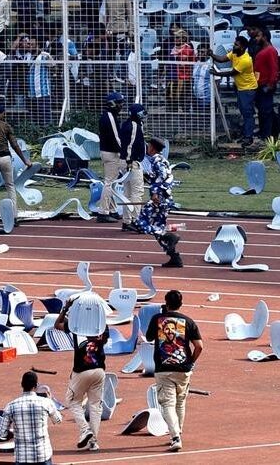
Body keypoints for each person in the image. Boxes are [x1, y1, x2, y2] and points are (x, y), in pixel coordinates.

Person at [145, 289, 203, 453]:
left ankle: (175, 436)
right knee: (180, 402)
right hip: (183, 369)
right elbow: (199, 346)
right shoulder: (188, 321)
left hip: (163, 369)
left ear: (166, 303)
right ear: (181, 304)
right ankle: (177, 432)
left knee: (168, 404)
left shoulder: (157, 319)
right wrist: (191, 361)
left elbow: (148, 337)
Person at [53, 297, 108, 452]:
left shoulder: (75, 325)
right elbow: (102, 340)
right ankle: (93, 442)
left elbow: (57, 324)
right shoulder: (103, 326)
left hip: (81, 370)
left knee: (72, 401)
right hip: (99, 370)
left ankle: (85, 429)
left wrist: (66, 308)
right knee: (95, 406)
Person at [0, 371, 63, 464]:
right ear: (36, 385)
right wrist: (51, 401)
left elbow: (2, 433)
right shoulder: (46, 402)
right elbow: (58, 420)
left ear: (22, 385)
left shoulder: (11, 406)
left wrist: (13, 433)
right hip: (42, 454)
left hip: (23, 457)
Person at [137, 137, 182, 267]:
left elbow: (161, 177)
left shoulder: (157, 161)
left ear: (152, 147)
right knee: (157, 225)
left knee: (141, 222)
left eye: (148, 146)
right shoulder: (161, 160)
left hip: (159, 198)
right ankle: (174, 257)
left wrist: (155, 193)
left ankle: (169, 237)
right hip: (163, 198)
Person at [209, 36, 259, 147]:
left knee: (247, 114)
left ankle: (249, 137)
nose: (234, 46)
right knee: (244, 112)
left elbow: (232, 73)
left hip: (248, 89)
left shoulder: (246, 60)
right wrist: (212, 54)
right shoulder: (234, 53)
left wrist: (216, 73)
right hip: (241, 88)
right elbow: (222, 59)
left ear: (242, 47)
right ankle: (246, 134)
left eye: (236, 45)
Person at [96, 91, 124, 223]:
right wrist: (124, 151)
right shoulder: (109, 117)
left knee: (111, 183)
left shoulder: (107, 116)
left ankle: (112, 210)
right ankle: (103, 212)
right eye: (119, 103)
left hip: (107, 152)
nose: (121, 105)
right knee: (109, 183)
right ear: (112, 104)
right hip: (111, 153)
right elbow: (116, 137)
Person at [120, 103, 147, 231]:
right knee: (137, 192)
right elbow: (129, 145)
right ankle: (137, 220)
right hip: (131, 162)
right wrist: (129, 161)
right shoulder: (134, 126)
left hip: (126, 161)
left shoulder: (128, 124)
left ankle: (127, 221)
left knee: (128, 193)